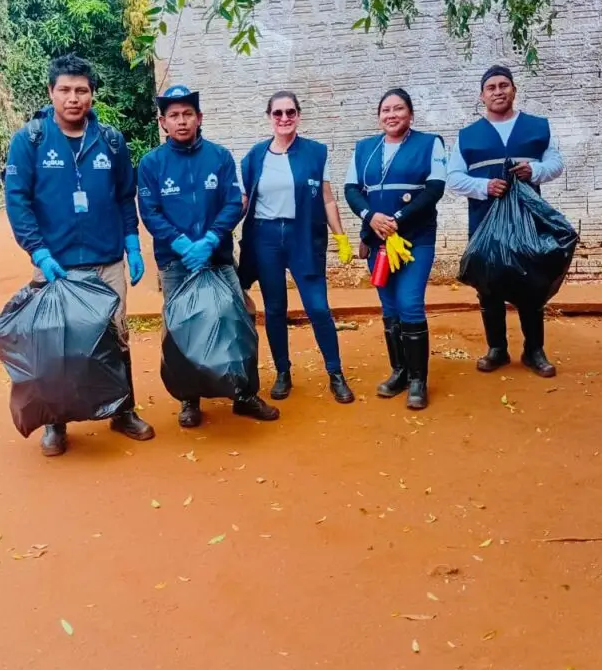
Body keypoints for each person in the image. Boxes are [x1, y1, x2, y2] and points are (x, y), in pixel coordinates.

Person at [4, 53, 154, 456]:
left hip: (107, 263)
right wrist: (38, 251)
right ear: (51, 92)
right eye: (66, 90)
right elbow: (18, 202)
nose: (74, 98)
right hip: (56, 267)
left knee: (116, 338)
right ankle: (56, 422)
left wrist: (133, 243)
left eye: (82, 90)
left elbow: (125, 196)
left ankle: (123, 411)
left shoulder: (111, 141)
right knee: (56, 345)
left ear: (92, 95)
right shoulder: (30, 140)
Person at [137, 84, 279, 429]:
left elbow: (234, 202)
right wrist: (183, 245)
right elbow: (150, 211)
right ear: (163, 122)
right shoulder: (151, 164)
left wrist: (211, 238)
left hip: (217, 259)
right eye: (174, 115)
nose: (182, 121)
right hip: (175, 263)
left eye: (188, 114)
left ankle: (244, 394)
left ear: (199, 118)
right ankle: (190, 399)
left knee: (239, 319)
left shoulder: (219, 157)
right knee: (183, 328)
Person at [448, 64, 565, 377]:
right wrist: (484, 186)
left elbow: (556, 163)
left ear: (514, 90)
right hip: (485, 222)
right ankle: (497, 348)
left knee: (532, 280)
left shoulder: (537, 127)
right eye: (491, 88)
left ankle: (534, 350)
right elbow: (453, 177)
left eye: (504, 86)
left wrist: (534, 171)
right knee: (488, 284)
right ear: (482, 96)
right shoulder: (468, 135)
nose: (498, 92)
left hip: (528, 221)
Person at [239, 91, 356, 404]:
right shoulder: (254, 156)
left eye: (290, 112)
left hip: (302, 234)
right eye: (277, 113)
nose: (284, 118)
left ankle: (335, 372)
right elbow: (245, 202)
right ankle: (282, 372)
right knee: (275, 309)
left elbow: (328, 198)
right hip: (265, 238)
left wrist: (341, 236)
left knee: (318, 307)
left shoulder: (315, 153)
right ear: (269, 117)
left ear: (299, 115)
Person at [344, 88, 447, 410]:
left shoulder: (430, 143)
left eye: (398, 109)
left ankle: (418, 380)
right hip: (378, 241)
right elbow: (351, 189)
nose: (391, 115)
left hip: (416, 238)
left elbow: (435, 189)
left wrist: (398, 219)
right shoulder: (365, 149)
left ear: (410, 114)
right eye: (386, 110)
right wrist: (370, 216)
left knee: (410, 303)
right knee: (389, 307)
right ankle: (399, 371)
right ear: (379, 116)